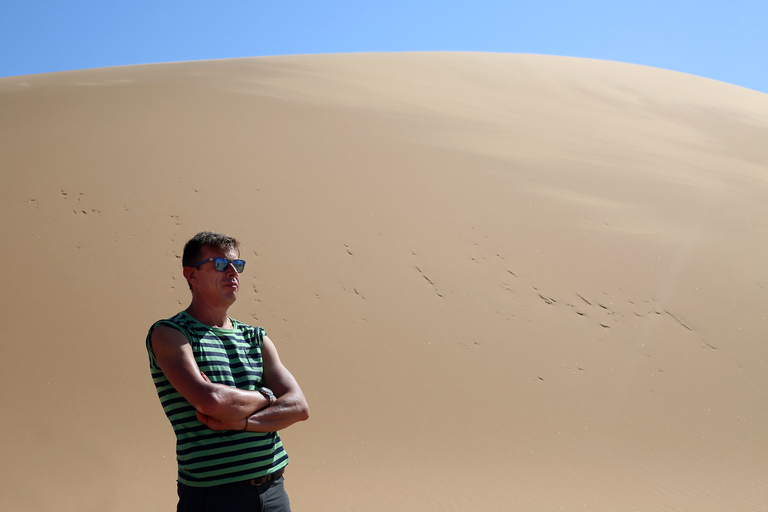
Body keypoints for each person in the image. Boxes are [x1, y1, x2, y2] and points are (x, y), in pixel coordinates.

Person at [146, 231, 309, 512]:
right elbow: (212, 402)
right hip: (214, 495)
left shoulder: (255, 337)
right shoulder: (171, 334)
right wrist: (269, 397)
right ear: (191, 275)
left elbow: (298, 407)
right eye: (220, 265)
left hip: (273, 491)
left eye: (238, 265)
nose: (233, 272)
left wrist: (238, 421)